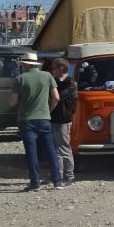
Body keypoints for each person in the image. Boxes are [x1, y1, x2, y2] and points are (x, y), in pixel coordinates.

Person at [12, 51, 63, 191]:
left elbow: (12, 102)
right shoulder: (47, 76)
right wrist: (49, 111)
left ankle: (35, 183)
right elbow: (56, 98)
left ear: (25, 64)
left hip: (26, 119)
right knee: (50, 149)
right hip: (44, 117)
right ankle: (57, 181)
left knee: (31, 151)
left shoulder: (20, 79)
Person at [47, 58, 78, 185]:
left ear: (61, 68)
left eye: (54, 68)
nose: (52, 70)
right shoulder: (56, 81)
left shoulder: (70, 83)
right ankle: (57, 174)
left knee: (64, 148)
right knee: (56, 149)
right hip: (55, 118)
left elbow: (58, 97)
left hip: (63, 120)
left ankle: (69, 175)